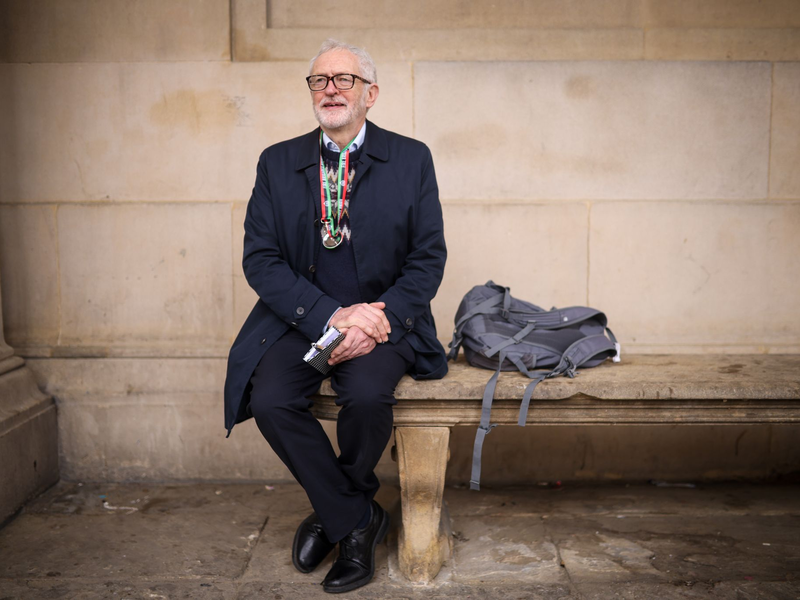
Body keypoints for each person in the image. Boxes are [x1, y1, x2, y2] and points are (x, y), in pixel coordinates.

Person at [223, 39, 448, 593]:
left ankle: (334, 515)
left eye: (344, 80)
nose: (330, 89)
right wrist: (329, 316)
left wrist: (376, 317)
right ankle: (356, 517)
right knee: (271, 399)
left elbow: (428, 258)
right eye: (320, 80)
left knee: (369, 399)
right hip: (300, 319)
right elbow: (261, 258)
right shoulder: (277, 162)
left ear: (370, 94)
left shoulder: (411, 157)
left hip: (383, 321)